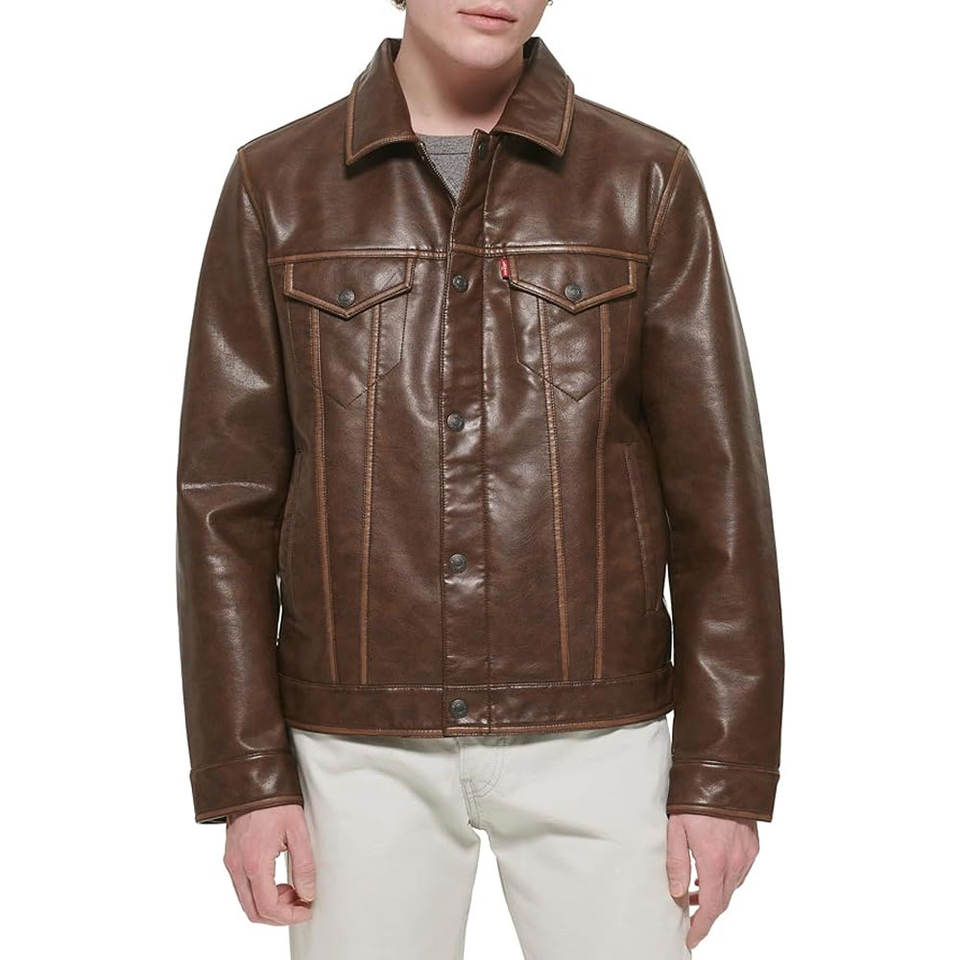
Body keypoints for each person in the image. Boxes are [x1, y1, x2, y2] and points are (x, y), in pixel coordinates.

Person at [175, 2, 785, 957]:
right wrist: (248, 778)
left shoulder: (644, 178)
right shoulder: (278, 183)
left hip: (598, 736)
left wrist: (722, 777)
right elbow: (224, 505)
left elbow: (721, 495)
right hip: (354, 746)